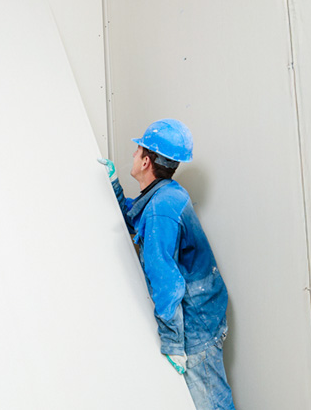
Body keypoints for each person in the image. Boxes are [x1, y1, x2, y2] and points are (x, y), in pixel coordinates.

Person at [100, 119, 234, 410]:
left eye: (137, 151)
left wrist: (173, 344)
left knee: (212, 403)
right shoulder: (166, 193)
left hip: (197, 323)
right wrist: (114, 188)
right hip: (205, 305)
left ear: (146, 161)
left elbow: (166, 280)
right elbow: (139, 219)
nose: (133, 155)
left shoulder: (162, 209)